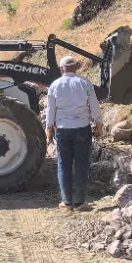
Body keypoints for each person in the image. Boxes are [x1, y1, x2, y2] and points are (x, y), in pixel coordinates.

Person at [46, 55, 104, 212]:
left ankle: (66, 202)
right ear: (76, 67)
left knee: (63, 165)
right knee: (81, 165)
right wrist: (98, 124)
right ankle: (79, 203)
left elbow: (50, 109)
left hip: (62, 130)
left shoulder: (55, 85)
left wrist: (49, 129)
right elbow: (94, 105)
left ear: (61, 69)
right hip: (81, 129)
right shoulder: (84, 83)